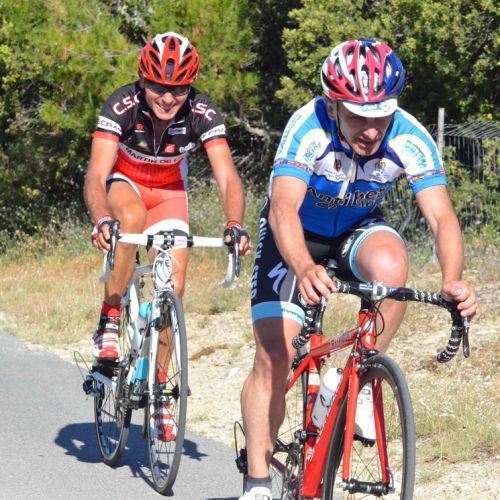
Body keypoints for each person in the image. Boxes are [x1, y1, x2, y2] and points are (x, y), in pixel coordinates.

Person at [239, 39, 478, 499]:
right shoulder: (308, 126)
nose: (371, 130)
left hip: (356, 228)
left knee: (392, 265)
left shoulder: (408, 136)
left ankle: (356, 379)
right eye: (357, 117)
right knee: (275, 355)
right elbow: (283, 208)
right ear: (333, 105)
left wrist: (452, 278)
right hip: (295, 234)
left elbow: (441, 216)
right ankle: (257, 480)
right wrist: (304, 267)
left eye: (381, 116)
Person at [84, 32, 251, 437]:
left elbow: (228, 177)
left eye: (178, 89)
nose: (167, 97)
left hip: (170, 193)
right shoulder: (122, 105)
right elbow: (96, 175)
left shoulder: (202, 112)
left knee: (172, 289)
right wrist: (102, 218)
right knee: (131, 218)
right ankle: (110, 318)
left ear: (190, 87)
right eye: (159, 86)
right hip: (126, 185)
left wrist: (234, 222)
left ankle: (160, 391)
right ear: (143, 80)